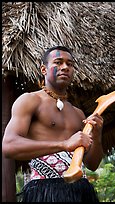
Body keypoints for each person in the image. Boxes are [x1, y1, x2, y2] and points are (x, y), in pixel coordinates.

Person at [2, 45, 104, 202]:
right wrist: (64, 144)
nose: (65, 67)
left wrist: (96, 136)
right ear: (44, 69)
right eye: (58, 62)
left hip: (80, 190)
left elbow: (92, 164)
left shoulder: (78, 113)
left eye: (69, 64)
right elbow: (9, 146)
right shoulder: (29, 100)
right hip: (43, 190)